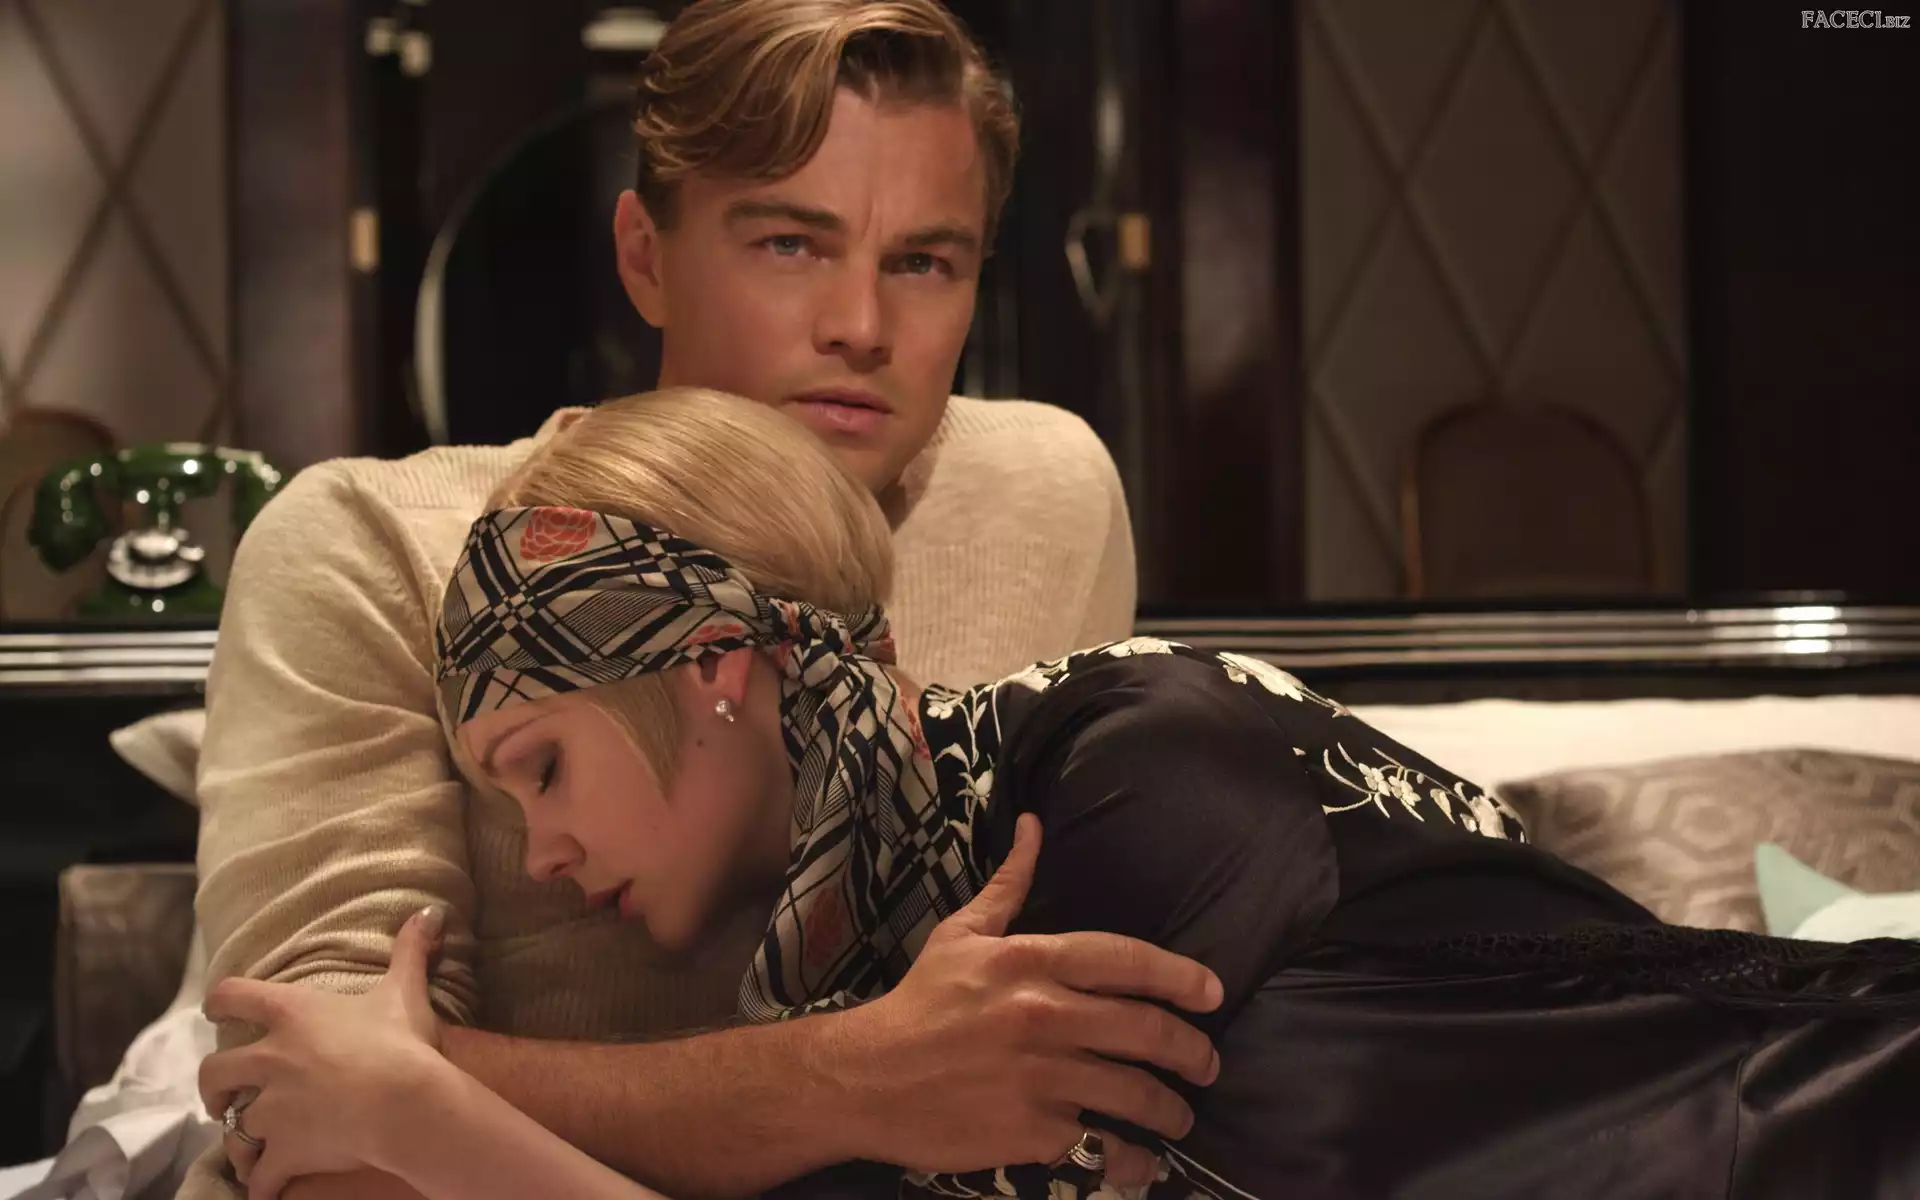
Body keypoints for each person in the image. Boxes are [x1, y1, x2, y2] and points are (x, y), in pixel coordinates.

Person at [201, 390, 1920, 1200]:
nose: (539, 849)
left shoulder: (1115, 779)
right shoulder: (877, 980)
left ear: (709, 665)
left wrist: (424, 1103)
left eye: (543, 766)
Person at [185, 3, 1215, 1199]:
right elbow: (314, 1129)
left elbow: (1077, 1057)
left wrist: (436, 1084)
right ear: (644, 256)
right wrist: (852, 1082)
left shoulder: (1044, 496)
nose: (861, 328)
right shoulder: (372, 545)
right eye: (789, 245)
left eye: (924, 262)